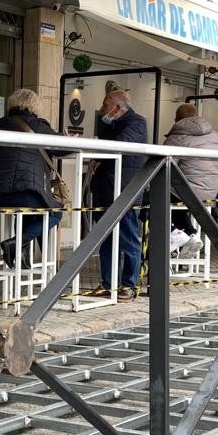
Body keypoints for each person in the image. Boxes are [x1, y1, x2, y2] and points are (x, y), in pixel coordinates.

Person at [0, 88, 71, 267]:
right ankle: (15, 243)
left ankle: (21, 256)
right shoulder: (37, 125)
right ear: (35, 106)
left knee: (28, 211)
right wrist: (68, 138)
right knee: (56, 212)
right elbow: (63, 148)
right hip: (22, 192)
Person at [91, 86, 148, 302]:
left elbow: (120, 146)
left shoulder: (137, 123)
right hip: (105, 190)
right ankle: (108, 284)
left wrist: (99, 154)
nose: (101, 110)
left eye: (105, 106)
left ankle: (129, 285)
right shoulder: (111, 124)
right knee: (106, 239)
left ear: (117, 108)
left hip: (126, 190)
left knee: (128, 237)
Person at [163, 103, 218, 258]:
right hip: (208, 195)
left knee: (147, 201)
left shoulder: (177, 137)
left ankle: (174, 234)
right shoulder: (213, 136)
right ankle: (191, 236)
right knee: (177, 204)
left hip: (184, 193)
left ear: (177, 119)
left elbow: (165, 164)